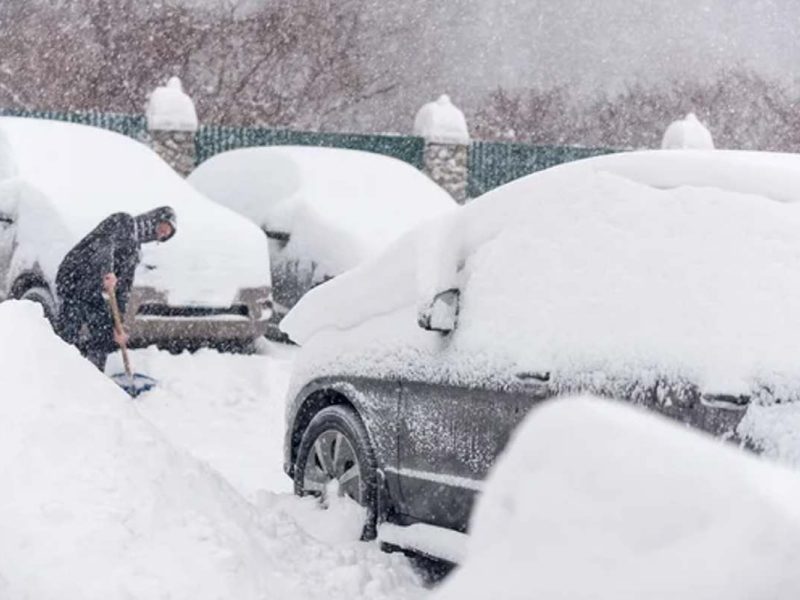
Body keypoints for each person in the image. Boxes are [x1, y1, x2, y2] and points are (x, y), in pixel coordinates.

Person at [55, 206, 177, 371]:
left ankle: (95, 375)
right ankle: (58, 370)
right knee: (70, 328)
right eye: (163, 228)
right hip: (73, 277)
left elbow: (123, 290)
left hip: (90, 290)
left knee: (104, 331)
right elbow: (104, 242)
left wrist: (118, 325)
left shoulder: (134, 253)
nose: (161, 234)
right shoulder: (123, 221)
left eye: (165, 236)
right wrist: (107, 271)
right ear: (155, 219)